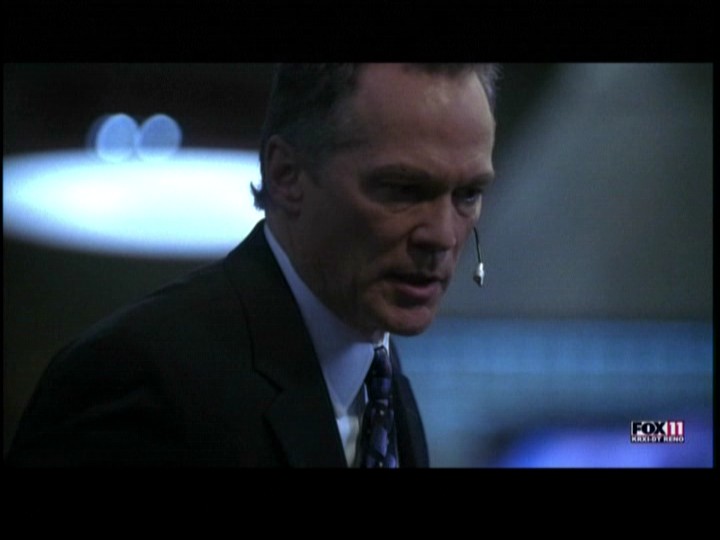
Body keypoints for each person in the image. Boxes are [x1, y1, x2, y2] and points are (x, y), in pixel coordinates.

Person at [6, 63, 498, 467]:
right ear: (286, 175)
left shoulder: (383, 384)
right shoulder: (138, 379)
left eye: (468, 195)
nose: (442, 235)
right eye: (401, 189)